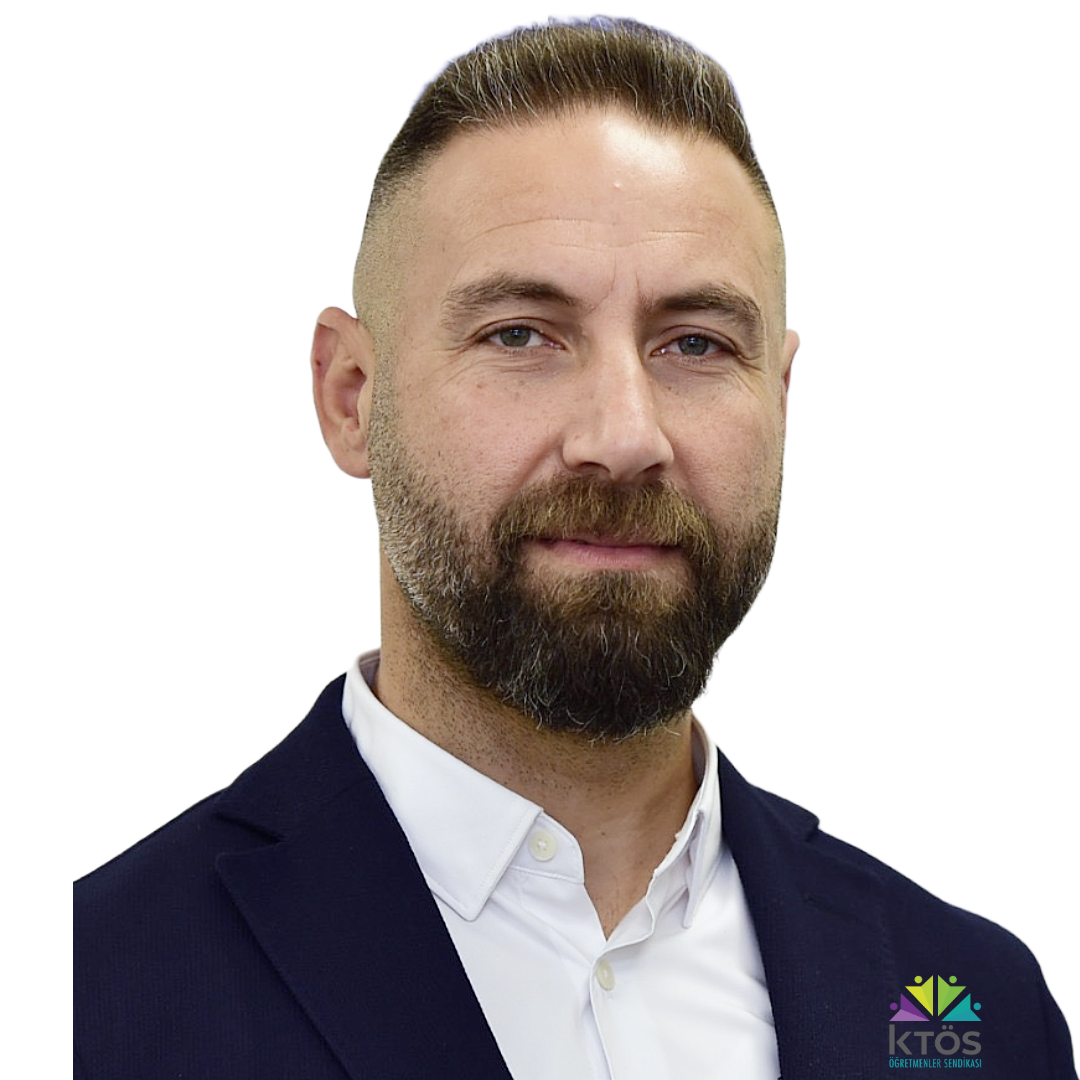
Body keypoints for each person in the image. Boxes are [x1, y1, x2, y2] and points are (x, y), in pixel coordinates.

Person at [74, 18, 1075, 1079]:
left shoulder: (975, 1007)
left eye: (696, 344)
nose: (625, 436)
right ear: (351, 398)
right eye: (520, 334)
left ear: (780, 401)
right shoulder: (84, 997)